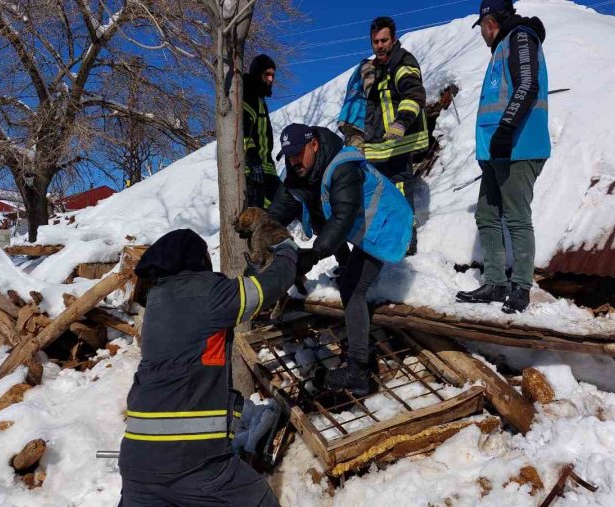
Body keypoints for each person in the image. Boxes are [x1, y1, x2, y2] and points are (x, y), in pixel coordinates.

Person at [118, 229, 297, 506]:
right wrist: (287, 249)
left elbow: (202, 328)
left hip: (137, 460)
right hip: (192, 462)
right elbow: (272, 285)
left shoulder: (157, 300)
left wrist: (248, 276)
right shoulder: (209, 293)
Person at [267, 124, 413, 396]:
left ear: (314, 145)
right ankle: (348, 273)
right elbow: (283, 205)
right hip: (362, 227)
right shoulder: (302, 171)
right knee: (322, 222)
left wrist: (315, 254)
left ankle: (358, 370)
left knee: (352, 289)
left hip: (386, 224)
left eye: (298, 153)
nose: (294, 161)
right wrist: (261, 226)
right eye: (288, 156)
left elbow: (343, 217)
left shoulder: (342, 166)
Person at [456, 0, 550, 314]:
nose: (482, 34)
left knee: (517, 217)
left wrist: (507, 129)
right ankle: (495, 283)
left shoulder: (521, 38)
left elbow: (528, 85)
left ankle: (521, 287)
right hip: (497, 151)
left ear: (489, 23)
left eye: (481, 28)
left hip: (520, 148)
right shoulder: (502, 48)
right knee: (486, 215)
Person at [361, 16, 429, 256]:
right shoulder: (374, 68)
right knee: (378, 196)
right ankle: (385, 245)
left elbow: (414, 93)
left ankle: (407, 245)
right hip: (378, 146)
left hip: (399, 142)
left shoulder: (402, 62)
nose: (380, 46)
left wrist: (401, 122)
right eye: (375, 41)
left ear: (393, 39)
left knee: (400, 193)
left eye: (384, 40)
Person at [243, 54, 281, 208]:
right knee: (260, 215)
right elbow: (243, 128)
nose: (271, 79)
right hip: (253, 170)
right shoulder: (248, 93)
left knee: (283, 207)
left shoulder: (259, 98)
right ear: (257, 73)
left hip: (266, 168)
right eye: (267, 74)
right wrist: (252, 159)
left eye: (273, 75)